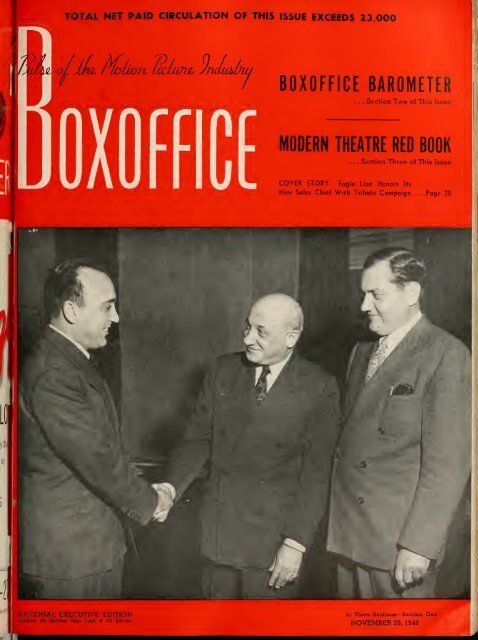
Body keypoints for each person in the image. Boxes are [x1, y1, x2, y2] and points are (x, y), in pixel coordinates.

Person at [155, 293, 340, 598]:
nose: (248, 339)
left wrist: (295, 543)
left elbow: (317, 475)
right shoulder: (221, 371)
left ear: (291, 336)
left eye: (262, 332)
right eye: (248, 327)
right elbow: (197, 441)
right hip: (218, 537)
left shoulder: (319, 387)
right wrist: (169, 488)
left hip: (273, 546)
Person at [18, 259, 170, 599]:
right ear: (72, 311)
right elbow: (97, 457)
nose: (115, 318)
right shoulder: (53, 372)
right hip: (70, 559)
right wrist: (152, 501)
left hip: (91, 547)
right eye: (107, 307)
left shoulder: (69, 360)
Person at [327, 247, 471, 598]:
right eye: (362, 294)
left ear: (411, 293)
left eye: (376, 295)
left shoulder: (446, 353)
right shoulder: (360, 352)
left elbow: (448, 464)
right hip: (348, 536)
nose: (363, 306)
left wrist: (420, 545)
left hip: (397, 547)